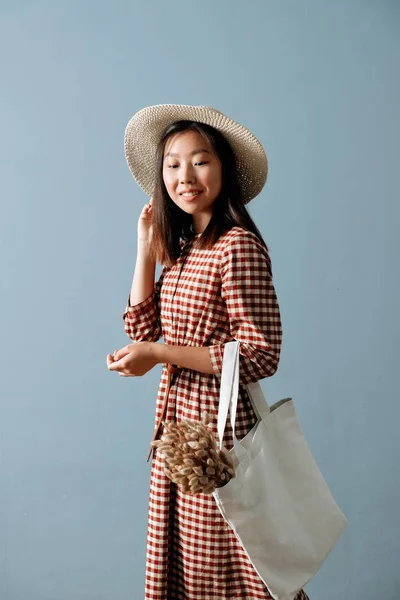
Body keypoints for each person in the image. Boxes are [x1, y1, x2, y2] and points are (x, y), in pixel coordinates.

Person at [107, 105, 310, 600]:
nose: (185, 176)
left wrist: (159, 353)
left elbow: (260, 354)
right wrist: (145, 247)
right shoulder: (188, 248)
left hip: (217, 436)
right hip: (180, 435)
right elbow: (141, 324)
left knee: (234, 572)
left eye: (200, 161)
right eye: (173, 164)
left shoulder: (235, 246)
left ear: (223, 170)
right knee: (193, 575)